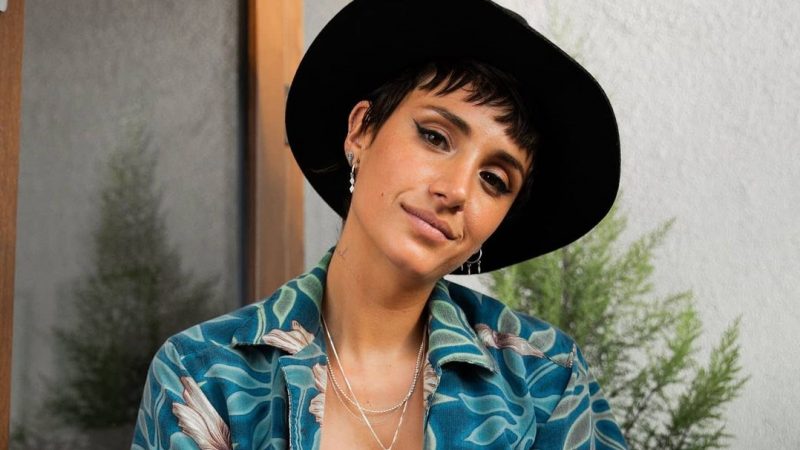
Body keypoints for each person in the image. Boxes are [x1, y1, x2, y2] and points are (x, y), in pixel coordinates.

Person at [132, 0, 627, 448]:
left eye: (494, 180)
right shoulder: (204, 376)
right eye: (435, 137)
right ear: (361, 131)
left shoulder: (545, 381)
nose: (457, 190)